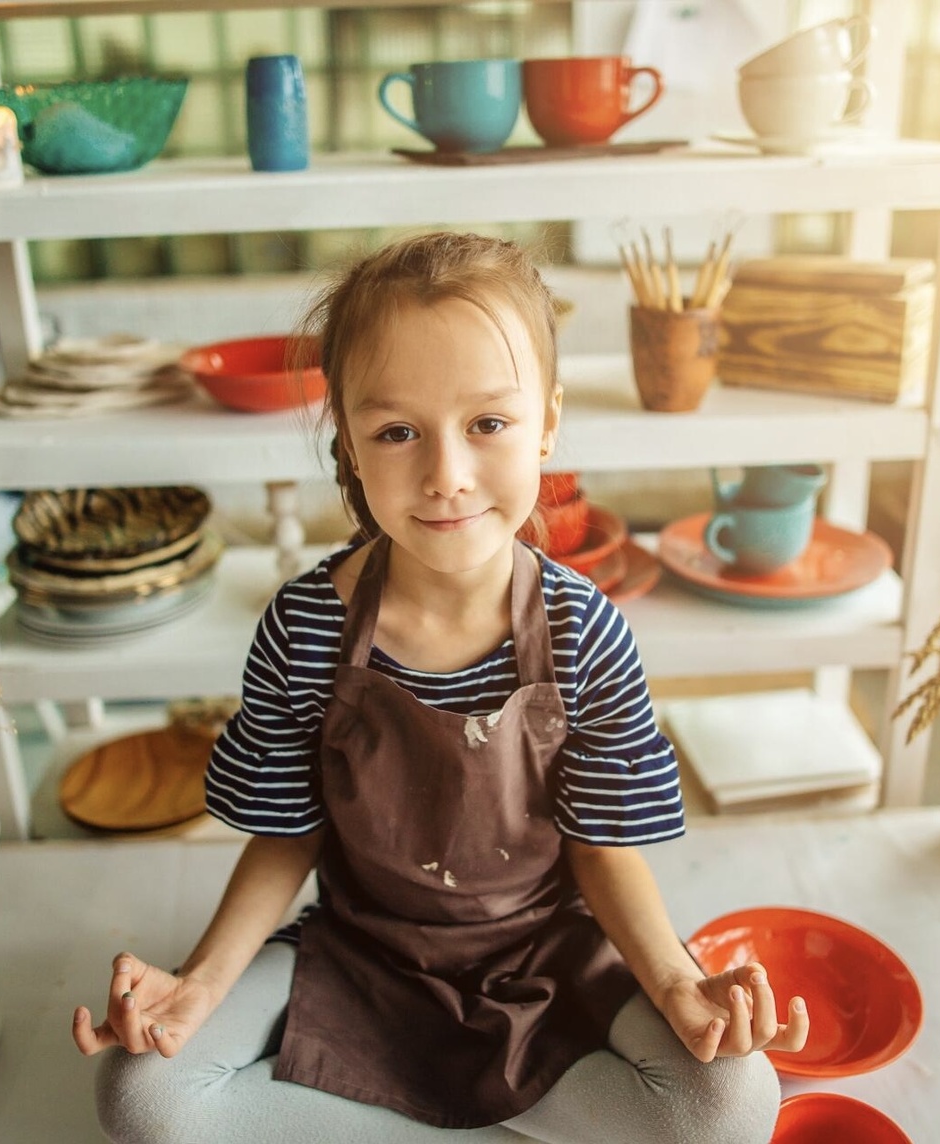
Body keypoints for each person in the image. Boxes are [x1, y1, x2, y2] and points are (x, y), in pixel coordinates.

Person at [73, 231, 807, 1143]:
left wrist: (674, 985)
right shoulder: (304, 631)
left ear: (547, 421)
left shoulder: (585, 633)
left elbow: (602, 847)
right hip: (358, 952)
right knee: (139, 1096)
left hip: (543, 950)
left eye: (489, 424)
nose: (447, 476)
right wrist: (199, 986)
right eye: (397, 432)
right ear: (347, 435)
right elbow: (284, 837)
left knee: (733, 1104)